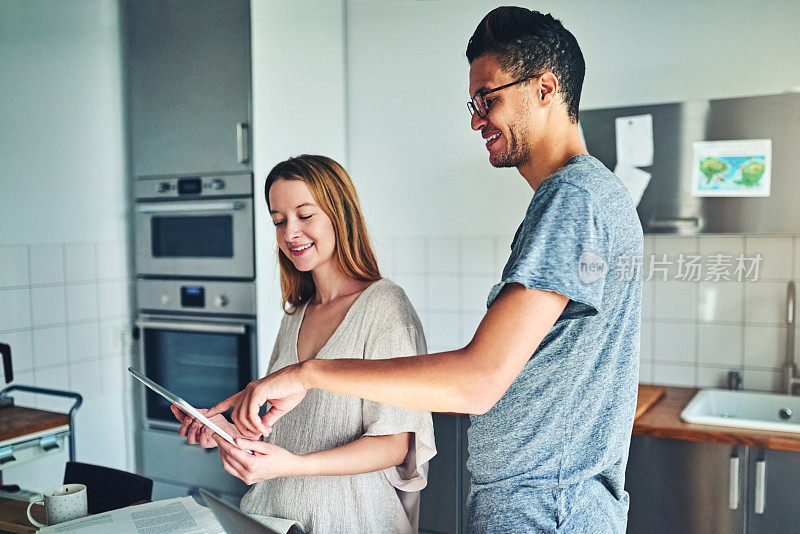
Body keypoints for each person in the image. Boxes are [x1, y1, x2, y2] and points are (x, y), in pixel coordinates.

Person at [211, 7, 642, 533]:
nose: (476, 119)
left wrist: (309, 373)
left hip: (546, 509)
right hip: (550, 505)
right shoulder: (589, 197)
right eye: (474, 103)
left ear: (545, 88)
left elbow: (477, 383)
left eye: (489, 99)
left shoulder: (573, 200)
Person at [172, 155, 436, 534]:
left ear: (339, 214)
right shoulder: (296, 313)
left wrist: (293, 465)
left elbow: (394, 445)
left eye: (304, 215)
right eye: (279, 221)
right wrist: (223, 431)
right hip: (273, 518)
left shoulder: (385, 308)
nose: (290, 233)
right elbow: (277, 430)